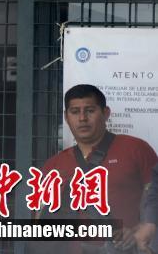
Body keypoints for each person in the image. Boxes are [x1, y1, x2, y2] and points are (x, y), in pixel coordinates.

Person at [39, 84, 158, 252]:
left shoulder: (135, 149)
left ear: (105, 113)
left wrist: (138, 231)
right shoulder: (54, 165)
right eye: (75, 112)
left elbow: (154, 197)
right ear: (66, 117)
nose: (82, 118)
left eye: (90, 110)